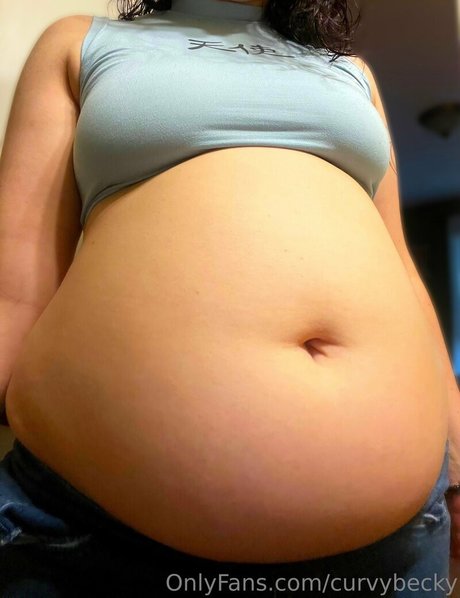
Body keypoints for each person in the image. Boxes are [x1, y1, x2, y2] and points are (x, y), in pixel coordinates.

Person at [0, 0, 458, 595]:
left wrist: (455, 452)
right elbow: (16, 287)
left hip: (398, 547)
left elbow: (403, 271)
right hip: (94, 536)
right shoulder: (79, 43)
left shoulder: (349, 71)